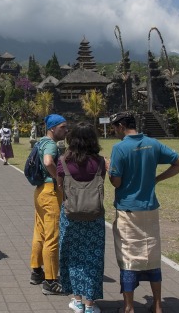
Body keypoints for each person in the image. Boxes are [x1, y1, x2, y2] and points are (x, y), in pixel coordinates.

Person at [108, 111, 179, 313]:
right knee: (152, 256)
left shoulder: (119, 148)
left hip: (128, 208)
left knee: (129, 257)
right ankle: (158, 305)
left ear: (121, 126)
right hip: (150, 208)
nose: (114, 132)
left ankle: (128, 307)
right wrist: (157, 179)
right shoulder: (153, 143)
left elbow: (116, 181)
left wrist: (111, 170)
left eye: (114, 128)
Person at [57, 122, 106, 313]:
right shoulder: (100, 162)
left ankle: (76, 300)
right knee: (93, 258)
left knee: (72, 256)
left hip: (70, 216)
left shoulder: (63, 162)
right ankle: (90, 304)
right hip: (94, 217)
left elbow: (60, 187)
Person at [29, 114, 68, 295]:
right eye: (63, 127)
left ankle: (37, 271)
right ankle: (50, 281)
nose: (66, 131)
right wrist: (58, 178)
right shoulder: (51, 145)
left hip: (40, 192)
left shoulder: (41, 141)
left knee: (40, 232)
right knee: (52, 237)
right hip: (51, 192)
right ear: (52, 128)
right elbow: (47, 161)